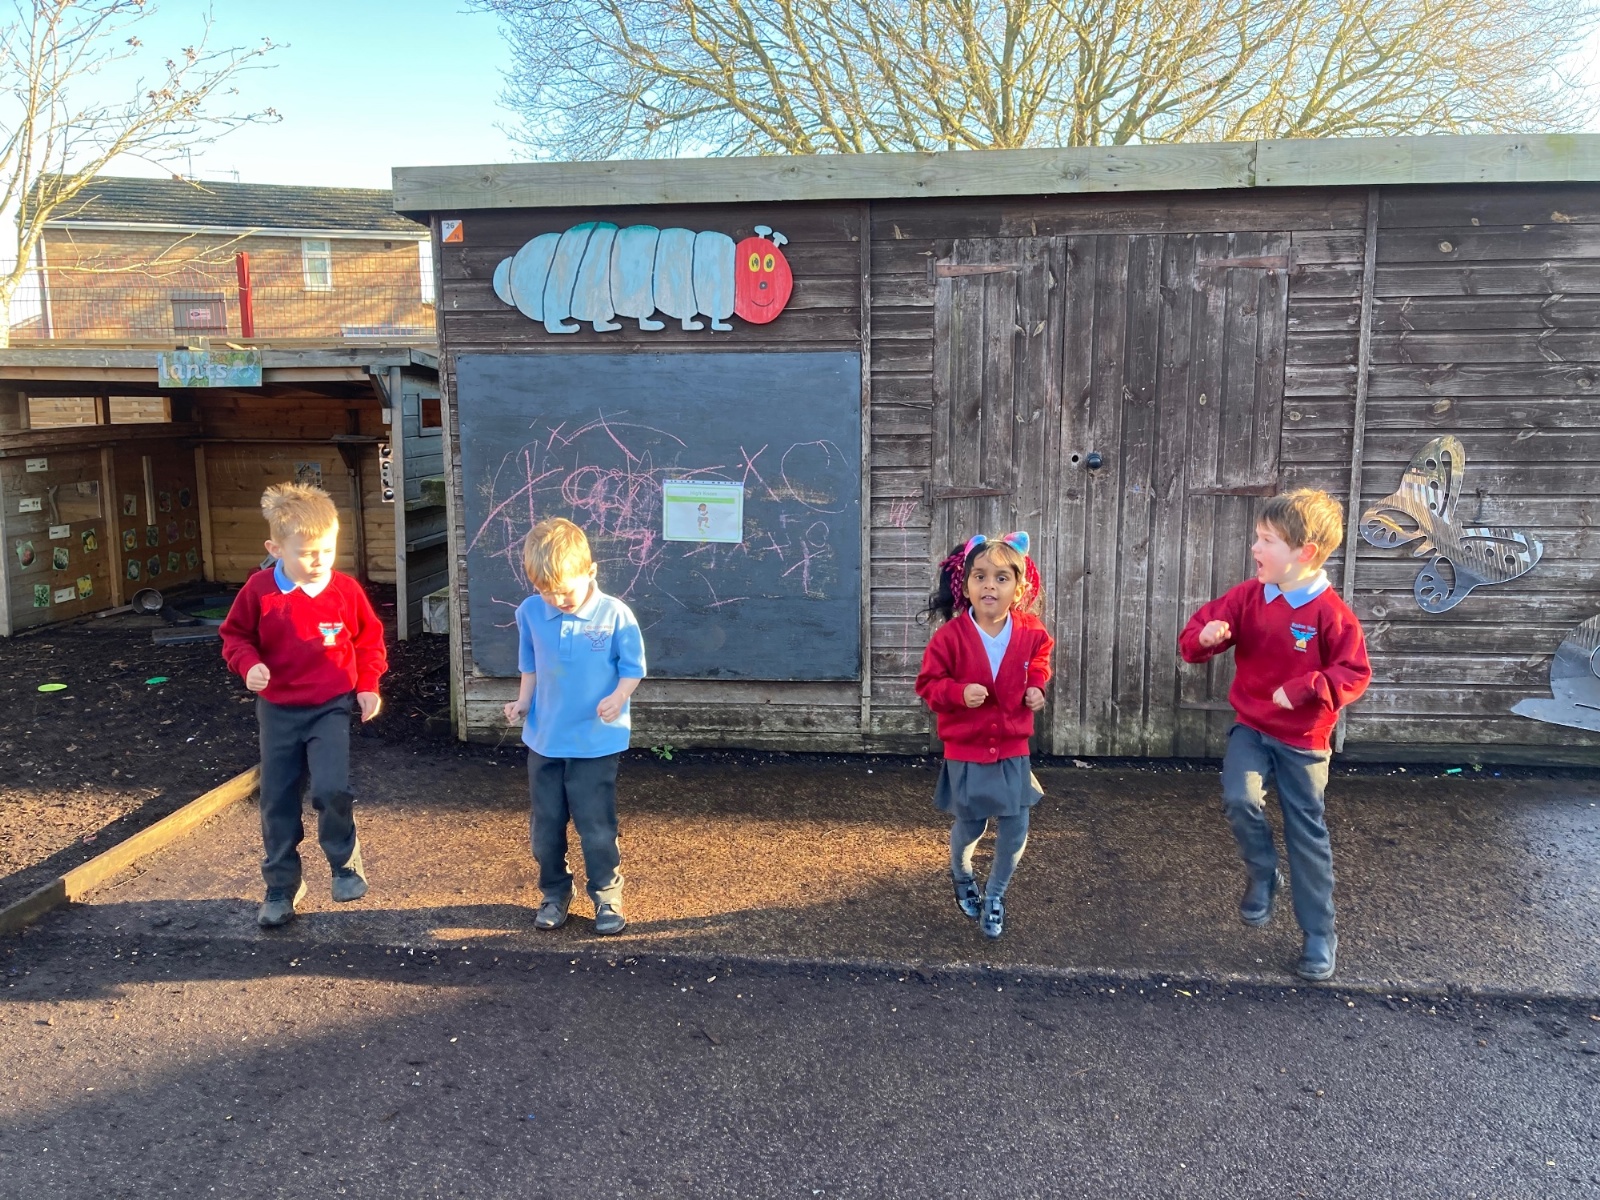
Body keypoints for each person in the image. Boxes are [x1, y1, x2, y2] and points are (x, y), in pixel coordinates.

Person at [1178, 488, 1371, 982]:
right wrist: (1204, 638)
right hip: (1252, 727)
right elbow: (1195, 634)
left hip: (1304, 742)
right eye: (1257, 537)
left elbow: (1353, 673)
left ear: (1304, 552)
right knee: (1239, 799)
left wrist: (1308, 688)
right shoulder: (1249, 596)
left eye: (1267, 540)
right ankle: (1263, 872)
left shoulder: (1331, 614)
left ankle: (1319, 934)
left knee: (1306, 834)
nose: (1255, 548)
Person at [219, 482, 387, 928]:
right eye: (308, 553)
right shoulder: (259, 591)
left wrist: (368, 685)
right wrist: (249, 665)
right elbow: (234, 636)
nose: (319, 561)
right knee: (277, 798)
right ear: (275, 549)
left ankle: (344, 861)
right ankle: (281, 885)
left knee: (331, 789)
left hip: (330, 706)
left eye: (328, 551)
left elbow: (368, 641)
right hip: (278, 710)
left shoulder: (344, 591)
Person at [503, 517, 646, 935]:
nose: (556, 599)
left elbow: (633, 668)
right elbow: (530, 665)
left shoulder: (615, 614)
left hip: (596, 742)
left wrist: (619, 697)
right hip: (545, 740)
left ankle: (607, 896)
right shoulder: (530, 612)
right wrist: (523, 702)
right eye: (545, 590)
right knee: (545, 829)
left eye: (564, 589)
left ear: (590, 571)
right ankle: (554, 893)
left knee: (596, 828)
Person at [914, 532, 1054, 940]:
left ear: (1019, 588)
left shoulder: (1031, 631)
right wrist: (958, 693)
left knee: (1015, 826)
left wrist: (1037, 686)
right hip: (967, 750)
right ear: (965, 585)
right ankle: (962, 874)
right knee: (971, 826)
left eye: (1001, 578)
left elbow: (1040, 660)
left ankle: (995, 895)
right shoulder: (949, 638)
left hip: (1012, 746)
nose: (989, 585)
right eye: (980, 576)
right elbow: (928, 685)